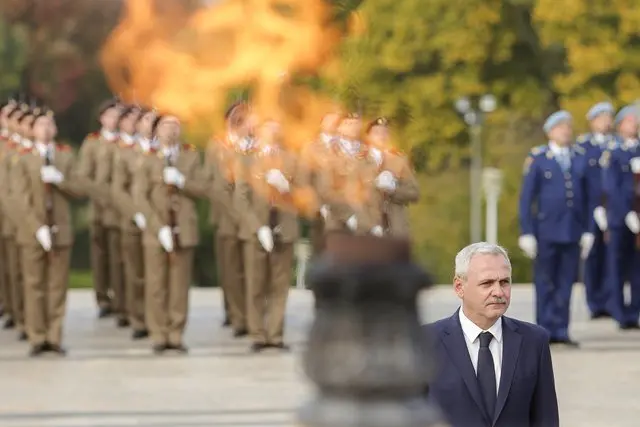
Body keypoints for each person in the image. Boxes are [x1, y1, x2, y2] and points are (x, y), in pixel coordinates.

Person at [425, 242, 559, 427]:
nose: (498, 292)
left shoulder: (534, 341)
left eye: (504, 282)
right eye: (487, 283)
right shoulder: (426, 342)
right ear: (459, 287)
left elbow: (545, 418)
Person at [518, 110, 593, 346]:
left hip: (572, 230)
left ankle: (561, 329)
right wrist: (527, 231)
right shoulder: (539, 158)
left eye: (568, 127)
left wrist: (589, 229)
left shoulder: (580, 157)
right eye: (561, 127)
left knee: (565, 282)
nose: (566, 131)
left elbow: (589, 197)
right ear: (550, 132)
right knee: (545, 282)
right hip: (546, 231)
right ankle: (544, 330)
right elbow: (526, 198)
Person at [12, 108, 83, 356]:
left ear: (55, 130)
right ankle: (37, 337)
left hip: (60, 230)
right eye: (40, 125)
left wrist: (59, 179)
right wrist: (37, 227)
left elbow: (80, 189)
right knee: (34, 285)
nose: (45, 129)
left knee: (57, 286)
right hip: (34, 232)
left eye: (49, 125)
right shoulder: (22, 159)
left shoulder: (65, 157)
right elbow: (20, 199)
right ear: (32, 130)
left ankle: (54, 336)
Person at [133, 114, 203, 354]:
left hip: (183, 227)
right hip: (157, 230)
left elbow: (203, 188)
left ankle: (176, 334)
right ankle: (158, 334)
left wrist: (182, 181)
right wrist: (157, 226)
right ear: (156, 131)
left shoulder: (190, 156)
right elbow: (140, 196)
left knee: (179, 285)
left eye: (175, 125)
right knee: (156, 285)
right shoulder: (147, 158)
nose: (171, 130)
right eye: (165, 125)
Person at [235, 119, 298, 352]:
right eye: (268, 129)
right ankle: (257, 334)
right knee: (256, 283)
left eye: (276, 128)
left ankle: (275, 334)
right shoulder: (246, 158)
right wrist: (256, 227)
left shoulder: (292, 158)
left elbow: (306, 195)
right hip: (258, 229)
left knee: (280, 286)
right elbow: (240, 197)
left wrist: (287, 187)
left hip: (284, 226)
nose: (273, 133)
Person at [76, 99, 122, 318]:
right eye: (110, 115)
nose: (114, 120)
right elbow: (84, 177)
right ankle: (103, 298)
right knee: (101, 255)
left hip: (124, 210)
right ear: (102, 118)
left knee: (121, 255)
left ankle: (123, 298)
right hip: (100, 209)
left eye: (118, 116)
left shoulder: (127, 142)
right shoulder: (93, 143)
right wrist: (106, 196)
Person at [600, 105, 640, 329]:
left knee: (636, 267)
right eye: (629, 122)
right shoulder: (613, 151)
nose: (633, 126)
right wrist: (626, 214)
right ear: (621, 124)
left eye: (635, 122)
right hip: (618, 218)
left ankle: (634, 312)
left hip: (639, 220)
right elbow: (610, 187)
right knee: (616, 266)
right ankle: (619, 312)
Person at [111, 105, 149, 339]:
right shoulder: (124, 152)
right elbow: (118, 188)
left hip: (159, 221)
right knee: (135, 273)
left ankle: (157, 319)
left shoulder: (163, 152)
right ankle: (138, 319)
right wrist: (136, 213)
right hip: (133, 220)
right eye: (143, 121)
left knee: (156, 275)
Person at [579, 102, 616, 319]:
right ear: (592, 121)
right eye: (601, 118)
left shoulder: (616, 144)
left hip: (612, 209)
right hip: (591, 209)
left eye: (608, 117)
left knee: (612, 256)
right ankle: (595, 302)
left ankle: (611, 301)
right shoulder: (584, 146)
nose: (606, 122)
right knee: (593, 256)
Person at [317, 112, 381, 235]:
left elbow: (373, 191)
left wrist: (375, 221)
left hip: (366, 223)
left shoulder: (367, 155)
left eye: (356, 124)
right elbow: (325, 190)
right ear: (339, 128)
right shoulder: (330, 153)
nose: (353, 127)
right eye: (348, 124)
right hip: (339, 222)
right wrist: (348, 215)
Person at [365, 117, 420, 236]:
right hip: (368, 226)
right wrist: (373, 185)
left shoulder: (399, 160)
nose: (382, 136)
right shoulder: (359, 160)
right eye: (377, 133)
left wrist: (394, 189)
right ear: (368, 137)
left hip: (396, 228)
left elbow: (414, 193)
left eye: (385, 132)